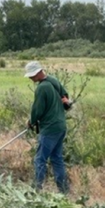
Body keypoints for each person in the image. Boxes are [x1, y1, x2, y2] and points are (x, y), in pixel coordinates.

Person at [24, 61, 70, 194]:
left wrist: (31, 122)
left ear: (38, 72)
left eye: (32, 75)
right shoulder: (53, 81)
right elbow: (65, 97)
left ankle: (36, 190)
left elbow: (37, 109)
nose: (31, 78)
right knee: (56, 159)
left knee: (40, 159)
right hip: (60, 126)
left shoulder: (42, 88)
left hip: (49, 128)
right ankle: (64, 191)